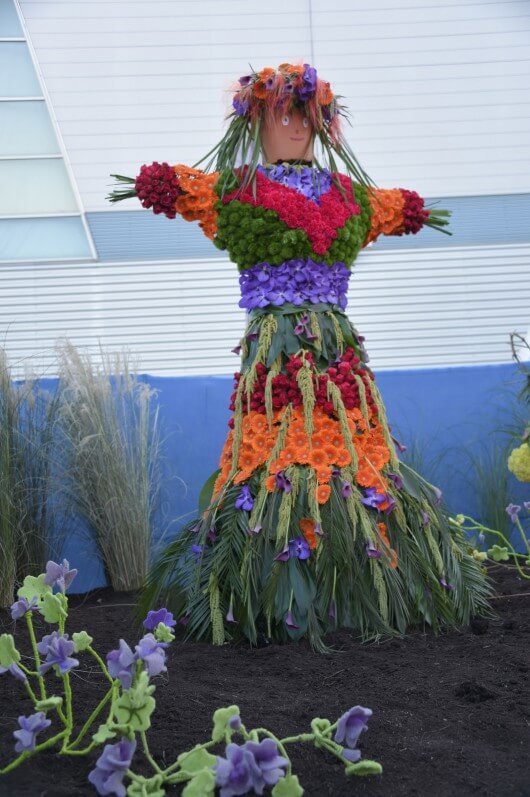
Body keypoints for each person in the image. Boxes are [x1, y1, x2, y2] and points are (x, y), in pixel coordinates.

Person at [110, 62, 490, 649]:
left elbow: (397, 207)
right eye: (280, 113)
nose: (293, 126)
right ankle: (267, 595)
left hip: (338, 359)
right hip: (273, 357)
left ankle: (363, 589)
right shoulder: (237, 192)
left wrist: (413, 209)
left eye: (305, 115)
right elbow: (183, 188)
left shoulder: (349, 197)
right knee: (275, 455)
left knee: (351, 455)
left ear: (322, 123)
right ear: (254, 121)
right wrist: (153, 183)